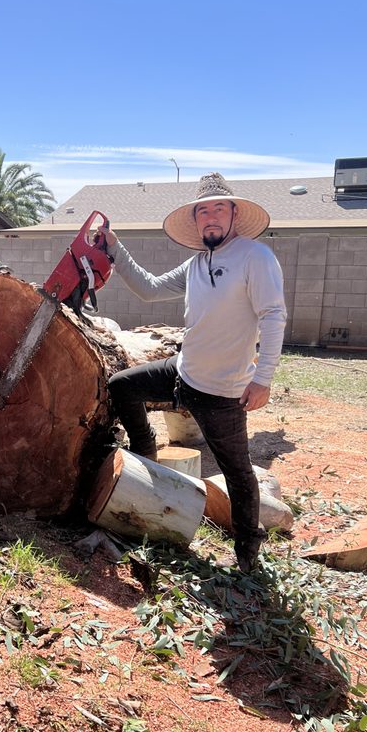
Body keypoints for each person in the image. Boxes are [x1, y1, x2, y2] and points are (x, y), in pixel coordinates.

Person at [102, 173, 287, 573]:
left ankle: (247, 549)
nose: (211, 217)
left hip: (222, 392)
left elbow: (273, 316)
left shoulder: (255, 258)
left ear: (234, 214)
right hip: (181, 373)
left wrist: (263, 379)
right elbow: (149, 289)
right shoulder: (197, 262)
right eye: (204, 210)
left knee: (237, 472)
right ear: (197, 220)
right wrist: (115, 249)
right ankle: (145, 447)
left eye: (219, 208)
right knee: (122, 386)